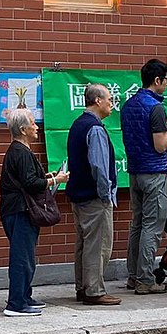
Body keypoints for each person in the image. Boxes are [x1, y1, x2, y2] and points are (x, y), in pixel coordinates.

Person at [121, 59, 167, 294]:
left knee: (137, 224)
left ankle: (133, 275)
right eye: (166, 79)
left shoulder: (128, 105)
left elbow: (142, 132)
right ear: (157, 80)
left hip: (135, 172)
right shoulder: (156, 107)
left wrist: (164, 125)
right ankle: (146, 279)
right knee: (152, 226)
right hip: (154, 172)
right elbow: (161, 145)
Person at [0, 109, 69, 316]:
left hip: (18, 210)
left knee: (26, 256)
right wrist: (56, 180)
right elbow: (31, 183)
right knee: (22, 258)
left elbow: (27, 178)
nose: (36, 126)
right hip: (20, 211)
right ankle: (16, 303)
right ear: (23, 129)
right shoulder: (20, 152)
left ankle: (24, 296)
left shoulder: (20, 151)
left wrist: (47, 175)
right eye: (33, 123)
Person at [65, 84, 121, 305]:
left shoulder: (78, 124)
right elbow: (99, 167)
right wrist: (105, 195)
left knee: (84, 244)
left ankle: (83, 287)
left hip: (78, 195)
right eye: (109, 99)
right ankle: (94, 290)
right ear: (97, 101)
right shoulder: (95, 128)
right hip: (94, 197)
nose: (111, 103)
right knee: (98, 246)